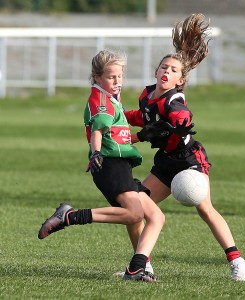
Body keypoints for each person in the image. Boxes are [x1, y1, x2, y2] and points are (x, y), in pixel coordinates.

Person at [119, 13, 245, 281]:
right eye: (164, 67)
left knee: (205, 209)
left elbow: (182, 117)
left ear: (180, 80)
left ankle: (239, 262)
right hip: (166, 163)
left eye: (174, 70)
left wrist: (171, 126)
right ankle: (142, 264)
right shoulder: (147, 95)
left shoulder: (173, 101)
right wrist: (119, 115)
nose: (167, 71)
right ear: (156, 72)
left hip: (189, 160)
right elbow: (140, 117)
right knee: (135, 208)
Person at [38, 49, 166, 282]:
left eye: (120, 76)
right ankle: (70, 216)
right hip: (109, 165)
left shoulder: (112, 100)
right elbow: (98, 130)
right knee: (135, 213)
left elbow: (117, 137)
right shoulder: (101, 100)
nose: (117, 81)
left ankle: (139, 268)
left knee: (155, 217)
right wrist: (95, 153)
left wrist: (143, 135)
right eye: (111, 77)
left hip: (119, 165)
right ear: (97, 77)